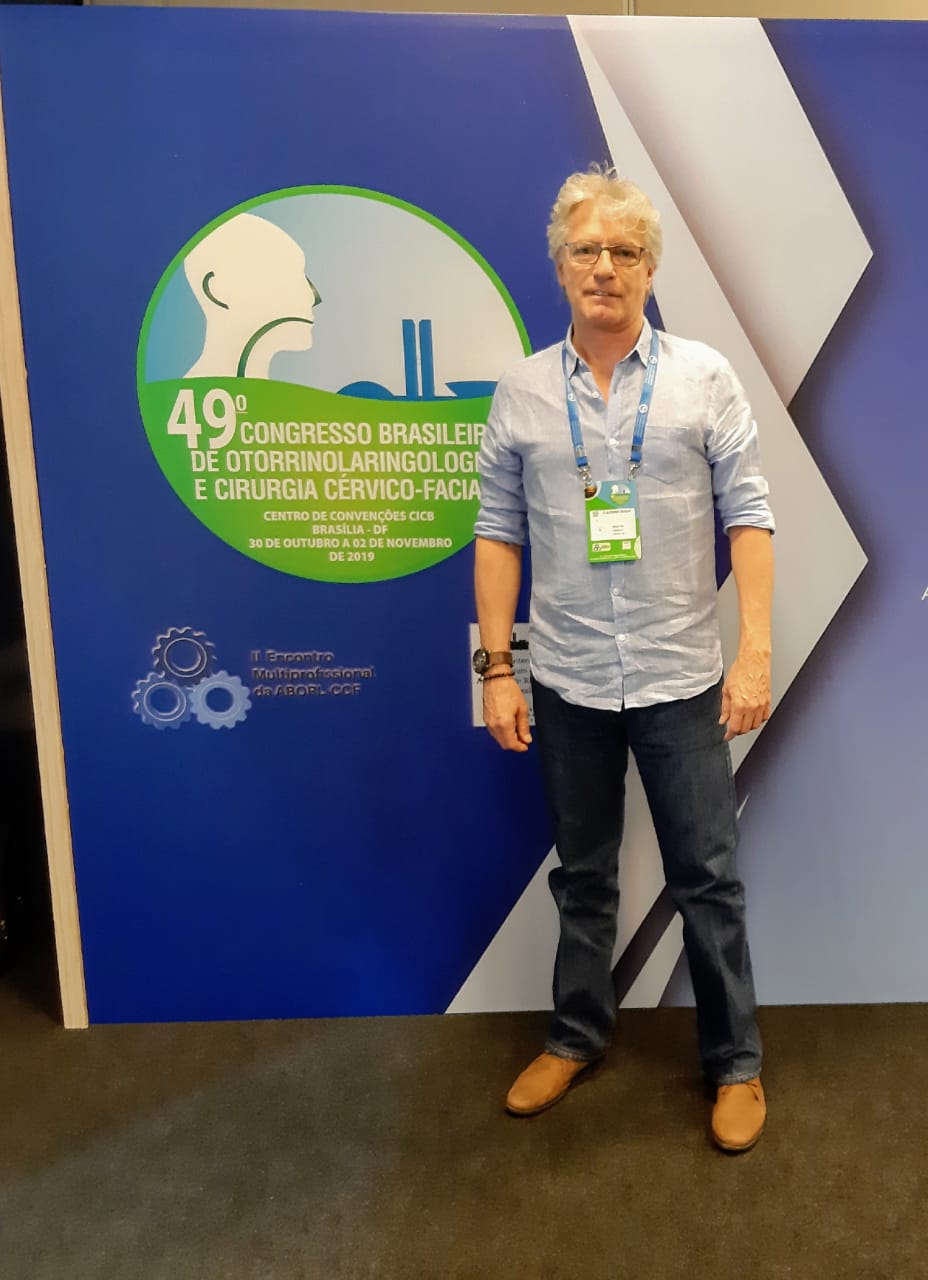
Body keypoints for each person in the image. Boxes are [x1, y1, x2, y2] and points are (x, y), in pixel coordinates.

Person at [472, 168, 774, 1152]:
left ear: (650, 267)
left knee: (707, 878)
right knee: (584, 875)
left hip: (680, 676)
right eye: (587, 250)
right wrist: (497, 669)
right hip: (566, 679)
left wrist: (754, 652)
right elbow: (497, 534)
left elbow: (750, 516)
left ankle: (735, 1061)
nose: (605, 267)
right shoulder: (521, 392)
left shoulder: (704, 378)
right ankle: (575, 1035)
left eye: (625, 251)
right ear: (560, 266)